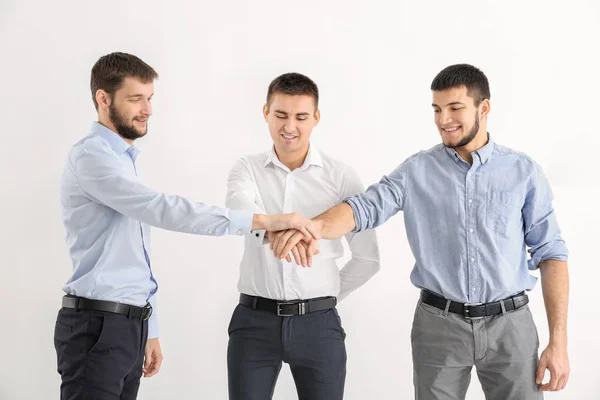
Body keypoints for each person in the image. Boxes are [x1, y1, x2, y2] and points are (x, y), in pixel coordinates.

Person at [272, 64, 570, 399]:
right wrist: (315, 226)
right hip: (438, 327)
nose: (444, 120)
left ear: (483, 108)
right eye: (437, 109)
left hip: (510, 325)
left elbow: (551, 253)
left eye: (455, 108)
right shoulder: (416, 171)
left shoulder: (523, 171)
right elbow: (365, 207)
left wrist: (558, 343)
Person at [54, 52, 318, 400]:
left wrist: (150, 327)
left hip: (126, 325)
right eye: (136, 99)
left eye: (150, 98)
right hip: (98, 325)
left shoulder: (123, 161)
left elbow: (136, 255)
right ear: (103, 99)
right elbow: (161, 209)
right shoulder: (92, 157)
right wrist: (265, 220)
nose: (147, 109)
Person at [225, 72, 380, 400]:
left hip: (319, 326)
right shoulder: (247, 168)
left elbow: (367, 258)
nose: (289, 126)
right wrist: (282, 227)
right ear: (265, 112)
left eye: (300, 117)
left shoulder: (341, 176)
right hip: (254, 322)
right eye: (280, 115)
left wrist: (326, 298)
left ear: (316, 118)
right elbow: (238, 211)